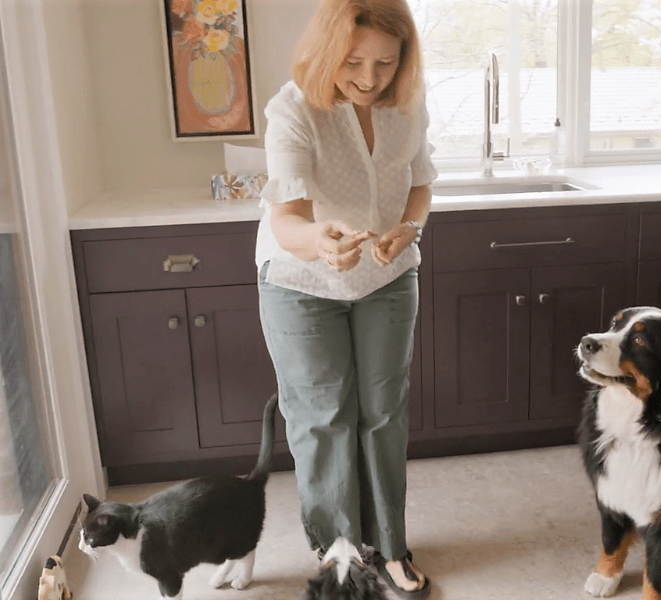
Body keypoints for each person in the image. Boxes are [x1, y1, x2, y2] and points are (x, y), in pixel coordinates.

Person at [255, 1, 435, 597]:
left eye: (385, 62)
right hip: (300, 281)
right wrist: (318, 242)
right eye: (353, 61)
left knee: (384, 412)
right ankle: (339, 555)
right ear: (326, 50)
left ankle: (389, 547)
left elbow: (421, 185)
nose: (368, 77)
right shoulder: (292, 109)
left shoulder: (407, 103)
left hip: (385, 275)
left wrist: (408, 229)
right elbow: (286, 220)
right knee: (323, 417)